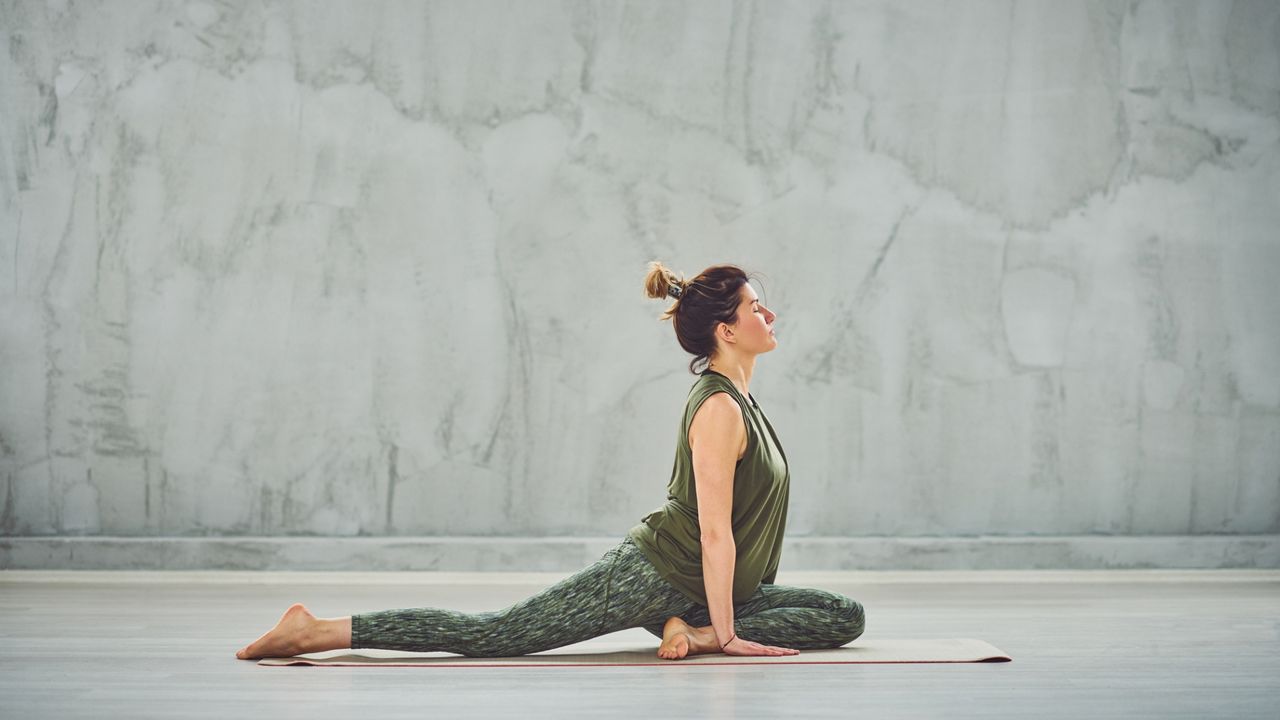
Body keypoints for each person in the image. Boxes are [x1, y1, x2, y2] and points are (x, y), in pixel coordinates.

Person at [235, 262, 865, 661]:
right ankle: (317, 630)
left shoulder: (744, 402)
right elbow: (714, 530)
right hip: (654, 573)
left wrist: (713, 628)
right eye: (757, 307)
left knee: (844, 615)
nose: (769, 313)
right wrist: (729, 637)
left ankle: (688, 628)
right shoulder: (719, 410)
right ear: (727, 331)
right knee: (495, 635)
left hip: (707, 593)